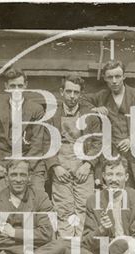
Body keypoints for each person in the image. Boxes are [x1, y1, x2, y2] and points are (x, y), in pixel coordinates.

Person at [83, 60, 135, 242]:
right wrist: (94, 109)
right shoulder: (101, 97)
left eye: (117, 76)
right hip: (117, 162)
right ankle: (125, 241)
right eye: (110, 77)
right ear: (105, 79)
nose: (114, 80)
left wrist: (132, 140)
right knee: (122, 203)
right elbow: (81, 101)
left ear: (124, 76)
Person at [46, 75, 101, 238]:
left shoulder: (90, 115)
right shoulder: (51, 114)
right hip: (61, 167)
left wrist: (88, 165)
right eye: (68, 91)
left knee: (84, 207)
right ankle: (66, 247)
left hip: (82, 167)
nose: (72, 96)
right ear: (61, 92)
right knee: (64, 208)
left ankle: (82, 246)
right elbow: (45, 143)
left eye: (76, 92)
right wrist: (55, 167)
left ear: (81, 94)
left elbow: (98, 142)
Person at [0, 68, 48, 194]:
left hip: (31, 165)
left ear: (25, 85)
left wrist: (25, 167)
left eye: (19, 85)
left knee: (37, 196)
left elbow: (37, 145)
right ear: (6, 86)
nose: (16, 90)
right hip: (5, 164)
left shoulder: (36, 109)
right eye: (12, 86)